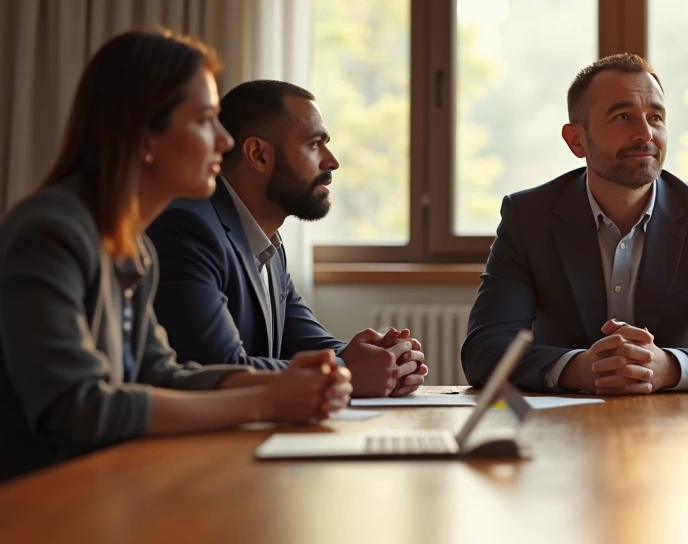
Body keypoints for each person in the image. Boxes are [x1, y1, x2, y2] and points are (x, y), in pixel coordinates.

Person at [0, 29, 352, 481]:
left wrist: (292, 382)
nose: (225, 141)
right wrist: (266, 400)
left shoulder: (132, 246)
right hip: (41, 504)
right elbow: (77, 407)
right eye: (206, 120)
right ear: (145, 134)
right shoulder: (51, 232)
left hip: (106, 488)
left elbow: (160, 373)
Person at [461, 53, 688, 394]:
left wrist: (668, 367)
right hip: (562, 428)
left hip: (681, 427)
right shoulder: (528, 217)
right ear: (576, 140)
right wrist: (578, 368)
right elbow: (485, 350)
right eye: (623, 117)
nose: (645, 134)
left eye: (656, 117)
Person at [146, 80, 425, 398]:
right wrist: (346, 370)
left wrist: (384, 361)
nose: (331, 161)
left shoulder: (268, 244)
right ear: (258, 155)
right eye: (314, 144)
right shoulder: (187, 229)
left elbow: (310, 345)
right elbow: (219, 368)